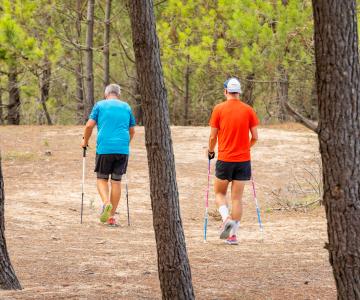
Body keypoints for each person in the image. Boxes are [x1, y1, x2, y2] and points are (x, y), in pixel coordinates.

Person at [208, 77, 259, 245]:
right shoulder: (249, 110)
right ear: (239, 92)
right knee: (237, 198)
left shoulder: (218, 109)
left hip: (224, 159)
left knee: (219, 193)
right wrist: (246, 148)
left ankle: (226, 218)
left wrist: (210, 150)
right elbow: (255, 137)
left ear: (225, 91)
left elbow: (213, 136)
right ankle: (232, 236)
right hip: (243, 160)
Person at [81, 84, 136, 226]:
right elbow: (132, 131)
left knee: (101, 179)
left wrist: (85, 141)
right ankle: (111, 217)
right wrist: (125, 144)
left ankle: (106, 203)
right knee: (116, 182)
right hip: (122, 149)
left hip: (105, 148)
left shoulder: (100, 105)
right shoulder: (126, 107)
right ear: (118, 94)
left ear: (106, 94)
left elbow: (89, 126)